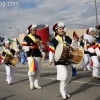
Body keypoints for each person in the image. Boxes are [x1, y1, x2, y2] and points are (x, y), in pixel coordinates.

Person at [48, 22, 72, 100]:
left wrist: (75, 42)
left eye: (62, 29)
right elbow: (51, 51)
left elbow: (72, 48)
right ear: (57, 31)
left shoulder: (68, 38)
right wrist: (50, 59)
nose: (62, 30)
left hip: (68, 60)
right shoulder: (54, 40)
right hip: (59, 61)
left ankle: (66, 91)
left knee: (68, 77)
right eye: (60, 29)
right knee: (63, 77)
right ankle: (62, 92)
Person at [22, 24, 42, 90]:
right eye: (33, 30)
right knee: (32, 70)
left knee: (38, 70)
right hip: (30, 55)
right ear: (30, 30)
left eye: (35, 30)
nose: (34, 31)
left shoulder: (38, 37)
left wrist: (40, 45)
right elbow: (23, 47)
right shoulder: (26, 38)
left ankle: (36, 84)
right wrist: (29, 47)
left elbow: (42, 47)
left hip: (38, 55)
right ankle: (31, 84)